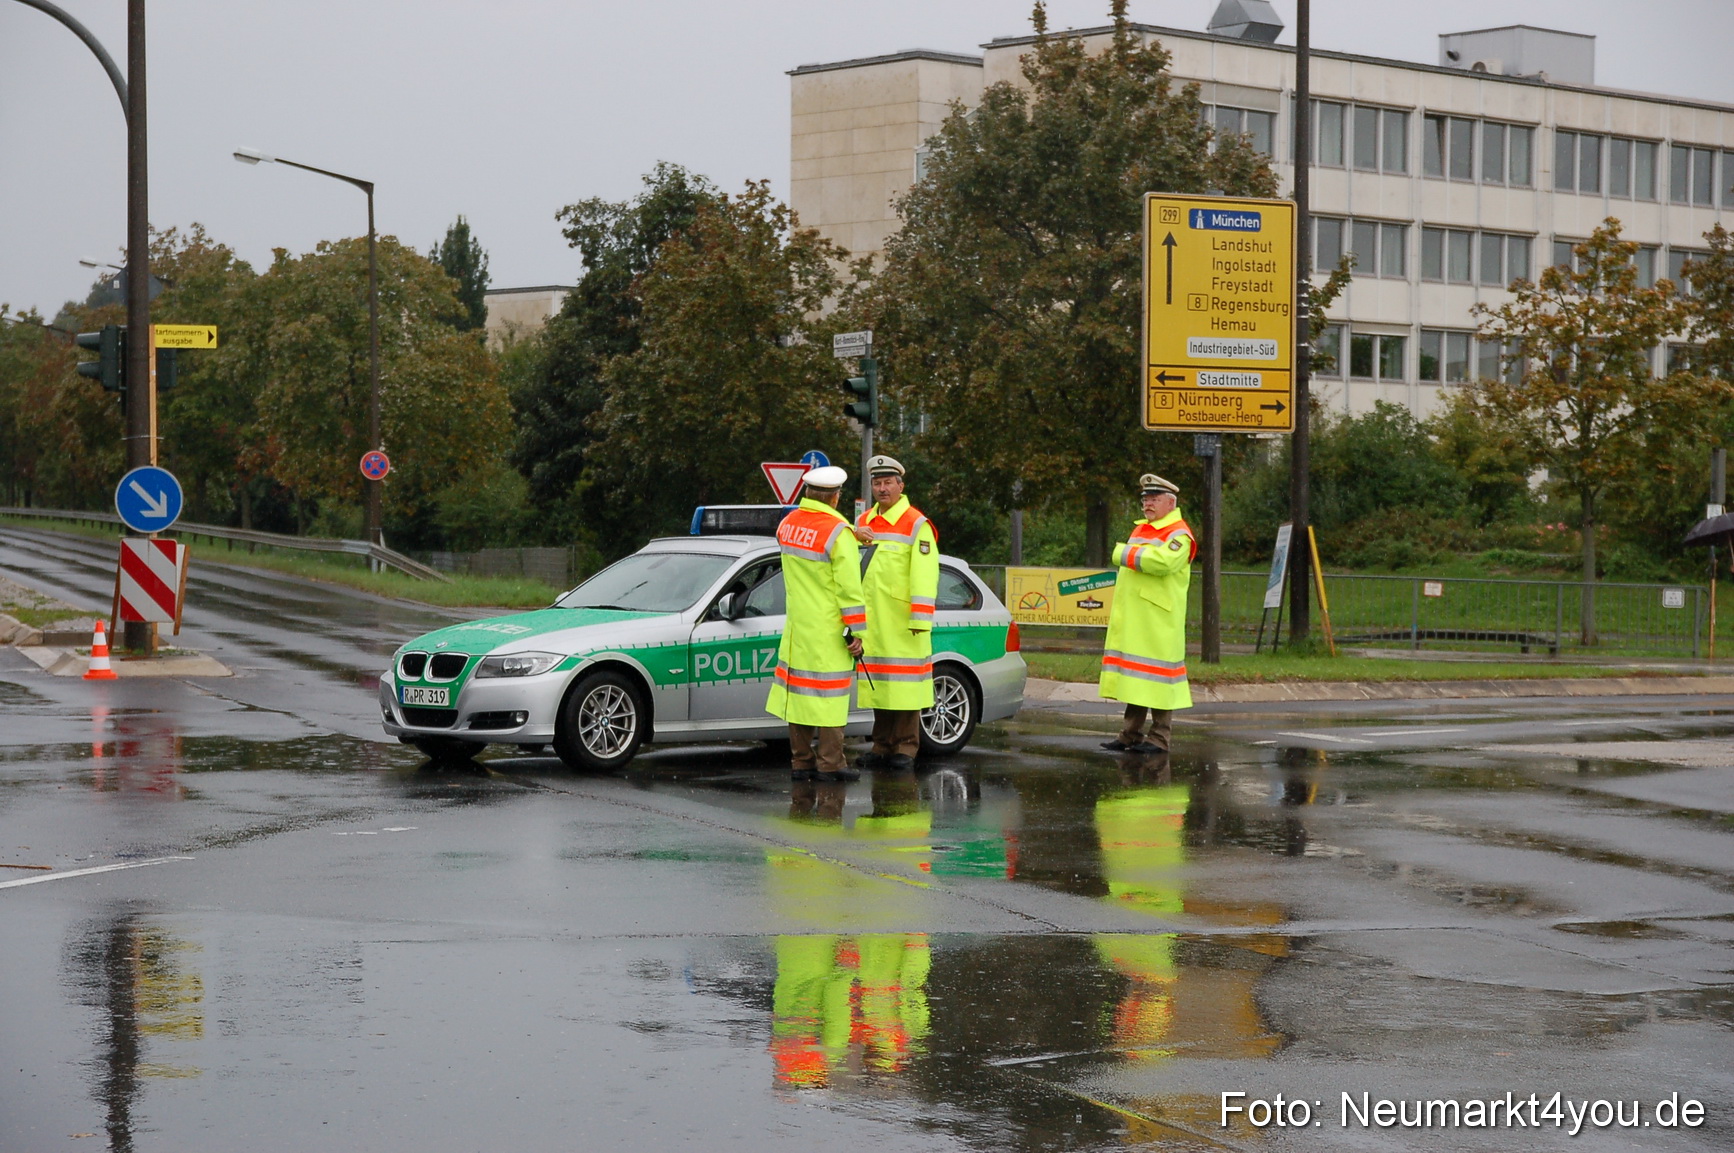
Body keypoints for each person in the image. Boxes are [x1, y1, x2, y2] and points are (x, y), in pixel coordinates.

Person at [764, 465, 867, 783]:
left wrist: (850, 533)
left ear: (807, 493)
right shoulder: (840, 534)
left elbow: (815, 535)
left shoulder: (787, 524)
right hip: (829, 629)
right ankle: (830, 763)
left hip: (797, 628)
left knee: (799, 696)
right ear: (836, 497)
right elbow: (848, 591)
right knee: (830, 699)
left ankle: (801, 762)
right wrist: (855, 634)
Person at [851, 455, 939, 772]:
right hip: (872, 622)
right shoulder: (863, 524)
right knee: (879, 685)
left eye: (888, 482)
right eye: (877, 483)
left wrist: (920, 619)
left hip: (903, 623)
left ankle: (905, 746)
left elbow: (925, 576)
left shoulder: (917, 523)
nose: (882, 488)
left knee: (905, 687)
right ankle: (881, 745)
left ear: (901, 486)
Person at [1098, 473, 1194, 753]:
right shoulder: (1143, 529)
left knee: (1161, 681)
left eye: (1153, 499)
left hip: (1159, 622)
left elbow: (1162, 563)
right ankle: (1130, 735)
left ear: (1170, 502)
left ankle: (1159, 739)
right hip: (1139, 619)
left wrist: (1121, 553)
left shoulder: (1178, 533)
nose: (1147, 504)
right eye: (1145, 499)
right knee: (1136, 680)